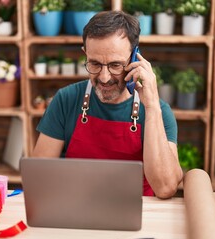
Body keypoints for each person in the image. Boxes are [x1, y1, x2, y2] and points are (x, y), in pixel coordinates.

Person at [32, 11, 183, 199]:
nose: (104, 77)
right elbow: (39, 178)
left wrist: (152, 108)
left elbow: (166, 188)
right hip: (75, 208)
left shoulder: (158, 111)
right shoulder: (66, 99)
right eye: (94, 64)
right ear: (85, 54)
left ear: (135, 58)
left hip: (139, 217)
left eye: (115, 65)